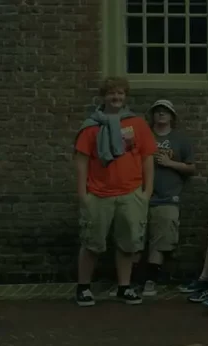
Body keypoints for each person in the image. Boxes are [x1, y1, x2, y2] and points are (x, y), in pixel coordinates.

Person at [74, 76, 157, 307]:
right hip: (98, 194)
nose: (116, 97)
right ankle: (83, 288)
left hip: (131, 193)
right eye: (111, 93)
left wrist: (146, 191)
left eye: (120, 93)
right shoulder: (91, 126)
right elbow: (81, 161)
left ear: (125, 96)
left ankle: (124, 287)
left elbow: (147, 158)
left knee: (128, 244)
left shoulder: (137, 124)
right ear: (103, 96)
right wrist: (83, 194)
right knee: (92, 243)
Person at [137, 99, 196, 296]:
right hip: (139, 195)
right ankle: (129, 281)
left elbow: (191, 168)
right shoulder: (142, 137)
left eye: (165, 111)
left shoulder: (181, 140)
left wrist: (169, 163)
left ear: (172, 116)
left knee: (161, 239)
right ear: (152, 115)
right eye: (157, 111)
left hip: (169, 197)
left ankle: (151, 280)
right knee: (133, 237)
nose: (161, 114)